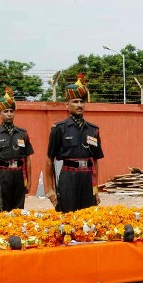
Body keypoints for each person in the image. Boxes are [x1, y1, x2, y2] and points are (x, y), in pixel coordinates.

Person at [44, 73, 104, 212]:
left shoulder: (93, 130)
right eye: (75, 102)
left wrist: (95, 189)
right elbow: (49, 159)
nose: (79, 105)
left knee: (88, 218)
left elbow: (95, 161)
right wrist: (50, 189)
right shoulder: (59, 128)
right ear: (67, 104)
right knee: (68, 217)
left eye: (81, 102)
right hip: (68, 177)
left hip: (87, 178)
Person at [0, 87, 34, 211]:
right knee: (3, 209)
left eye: (11, 111)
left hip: (19, 174)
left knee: (19, 210)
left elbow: (28, 159)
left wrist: (29, 181)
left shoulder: (22, 133)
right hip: (2, 175)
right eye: (6, 111)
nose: (9, 114)